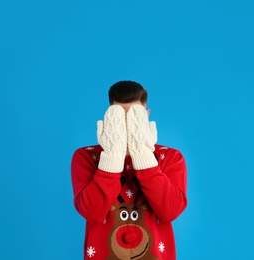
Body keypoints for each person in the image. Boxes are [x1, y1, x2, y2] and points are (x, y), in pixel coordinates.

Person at [71, 80, 187, 260]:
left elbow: (170, 211)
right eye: (120, 118)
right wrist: (112, 156)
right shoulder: (87, 157)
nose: (127, 125)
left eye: (134, 118)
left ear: (147, 116)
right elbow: (92, 213)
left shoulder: (169, 157)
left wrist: (142, 154)